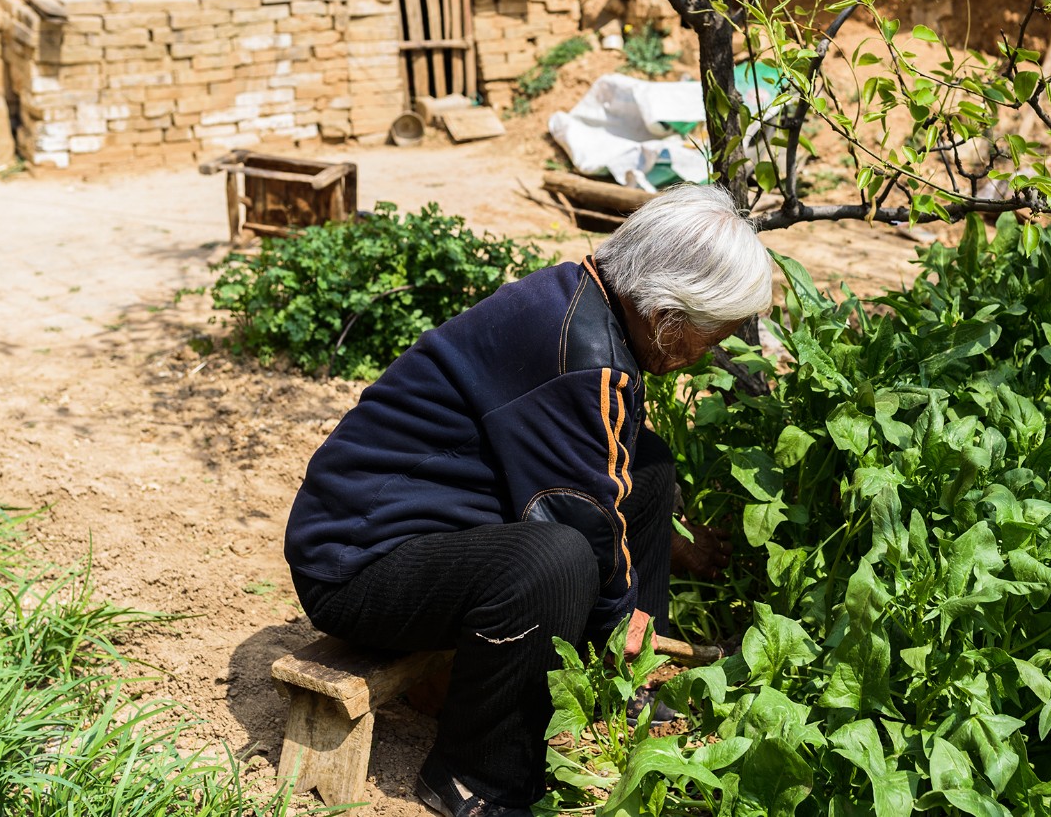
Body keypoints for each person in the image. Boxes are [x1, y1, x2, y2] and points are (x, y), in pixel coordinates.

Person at [284, 184, 772, 817]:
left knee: (646, 465)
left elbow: (607, 480)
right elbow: (578, 515)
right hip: (355, 563)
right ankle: (479, 778)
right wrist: (618, 612)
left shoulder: (586, 300)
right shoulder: (586, 359)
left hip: (425, 525)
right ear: (664, 318)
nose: (714, 350)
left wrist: (631, 608)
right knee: (557, 560)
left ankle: (628, 673)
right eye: (715, 334)